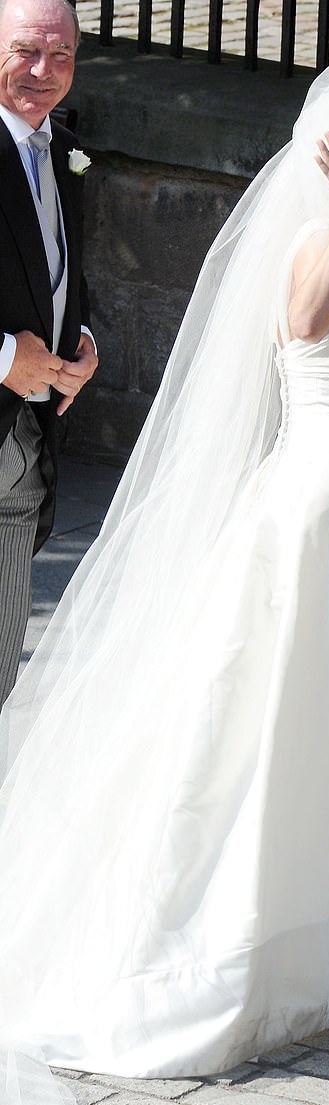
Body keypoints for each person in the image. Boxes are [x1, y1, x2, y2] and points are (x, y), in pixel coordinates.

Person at [0, 63, 329, 1105]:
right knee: (278, 719)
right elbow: (307, 321)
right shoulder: (318, 232)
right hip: (321, 503)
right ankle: (242, 938)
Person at [0, 0, 97, 707]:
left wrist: (83, 343)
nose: (45, 71)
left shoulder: (64, 151)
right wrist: (5, 356)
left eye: (61, 55)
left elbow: (64, 275)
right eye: (28, 50)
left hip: (26, 446)